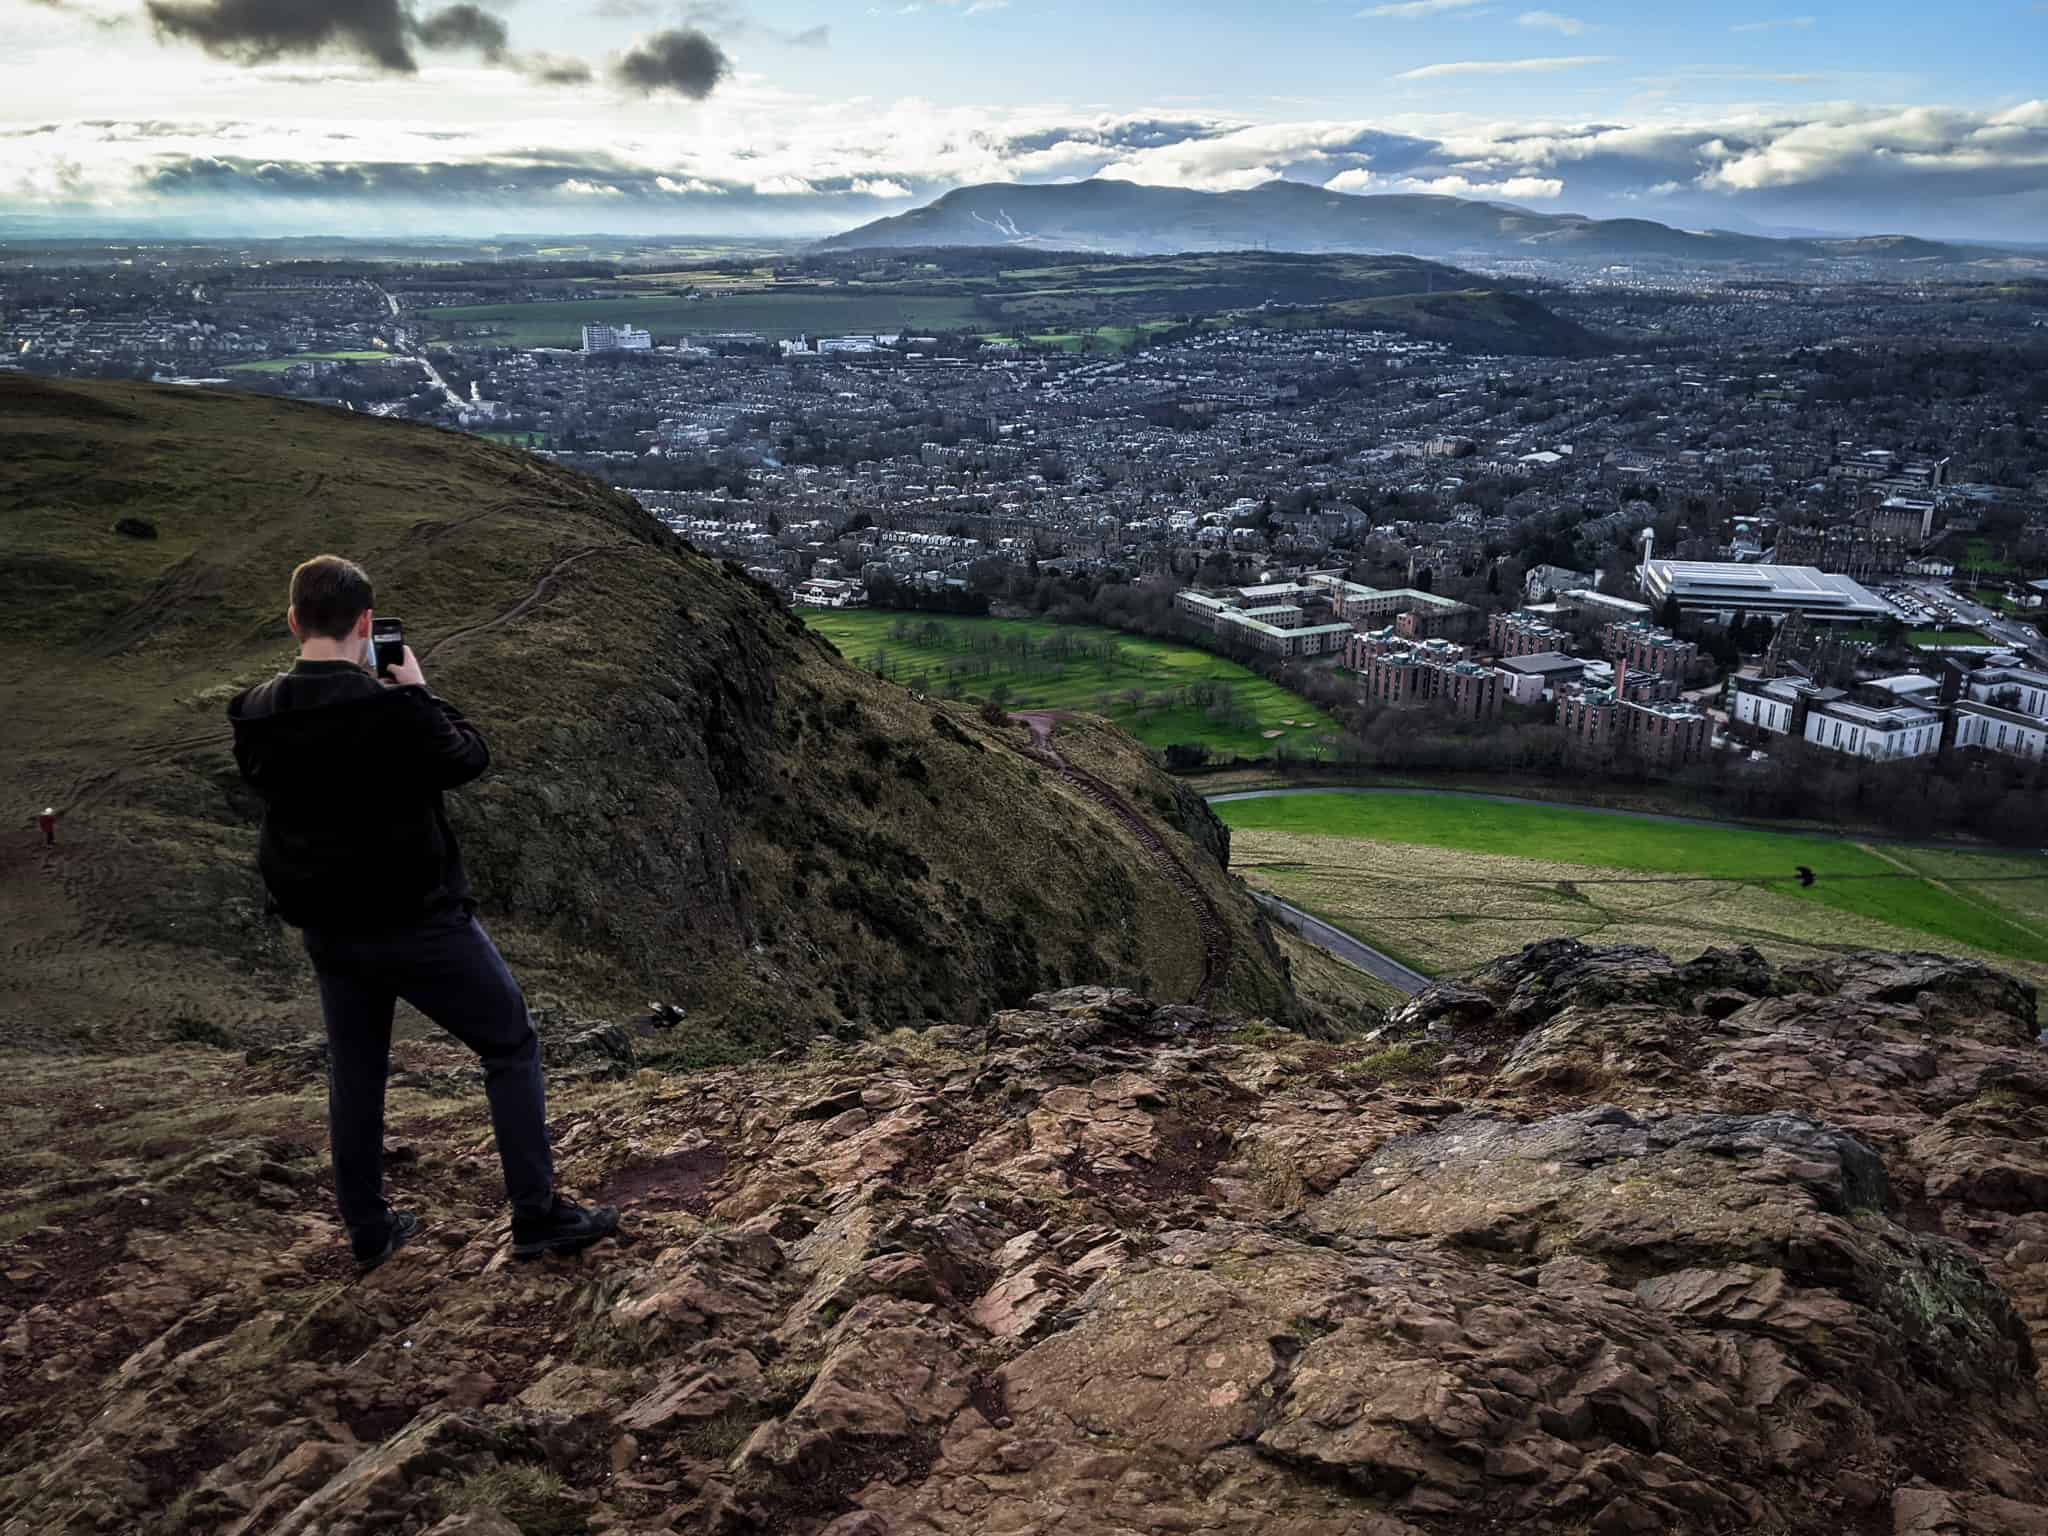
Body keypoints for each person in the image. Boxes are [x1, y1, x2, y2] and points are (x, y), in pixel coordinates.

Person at [228, 555, 618, 1271]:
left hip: (327, 926)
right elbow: (467, 758)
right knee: (509, 1044)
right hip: (418, 919)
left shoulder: (254, 711)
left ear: (293, 621)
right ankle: (536, 1216)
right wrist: (420, 691)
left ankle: (369, 1228)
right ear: (366, 624)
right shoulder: (392, 709)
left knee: (357, 1071)